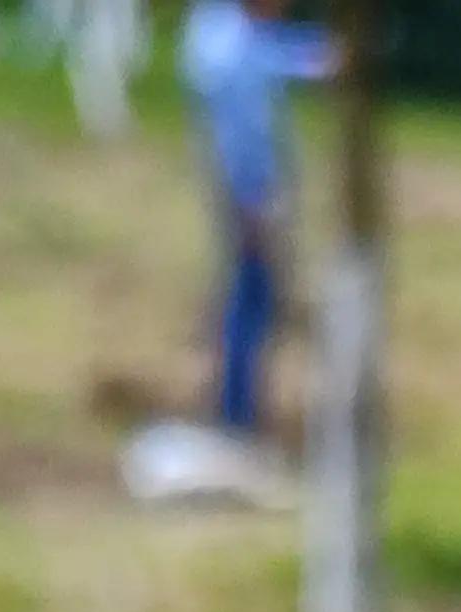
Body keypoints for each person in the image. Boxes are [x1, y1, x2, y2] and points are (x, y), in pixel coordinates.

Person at [178, 0, 334, 442]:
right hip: (248, 197)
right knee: (251, 298)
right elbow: (240, 139)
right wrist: (251, 206)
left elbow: (283, 54)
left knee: (250, 297)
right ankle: (236, 416)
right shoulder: (228, 49)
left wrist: (321, 58)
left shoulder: (228, 31)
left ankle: (237, 411)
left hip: (247, 194)